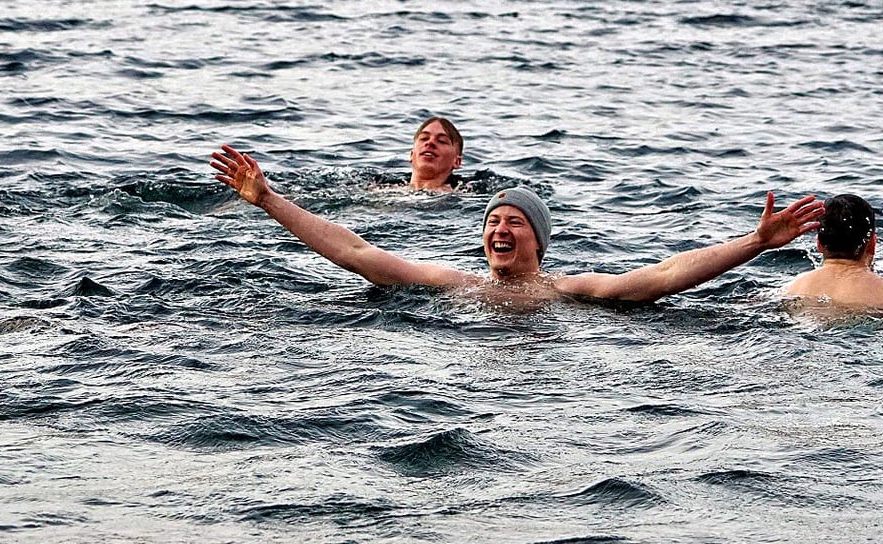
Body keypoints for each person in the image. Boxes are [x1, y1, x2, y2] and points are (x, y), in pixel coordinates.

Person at [211, 144, 824, 304]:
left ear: (539, 238)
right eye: (493, 222)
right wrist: (268, 199)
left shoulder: (570, 290)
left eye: (515, 223)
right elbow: (357, 252)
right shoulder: (458, 285)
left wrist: (755, 242)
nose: (500, 230)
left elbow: (662, 277)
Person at [783, 193, 883, 309]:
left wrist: (759, 241)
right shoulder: (879, 292)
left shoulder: (791, 289)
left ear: (819, 244)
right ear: (872, 244)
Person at [408, 116, 463, 191]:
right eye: (424, 138)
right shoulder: (388, 188)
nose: (430, 142)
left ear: (457, 161)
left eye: (441, 141)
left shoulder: (466, 194)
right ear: (411, 155)